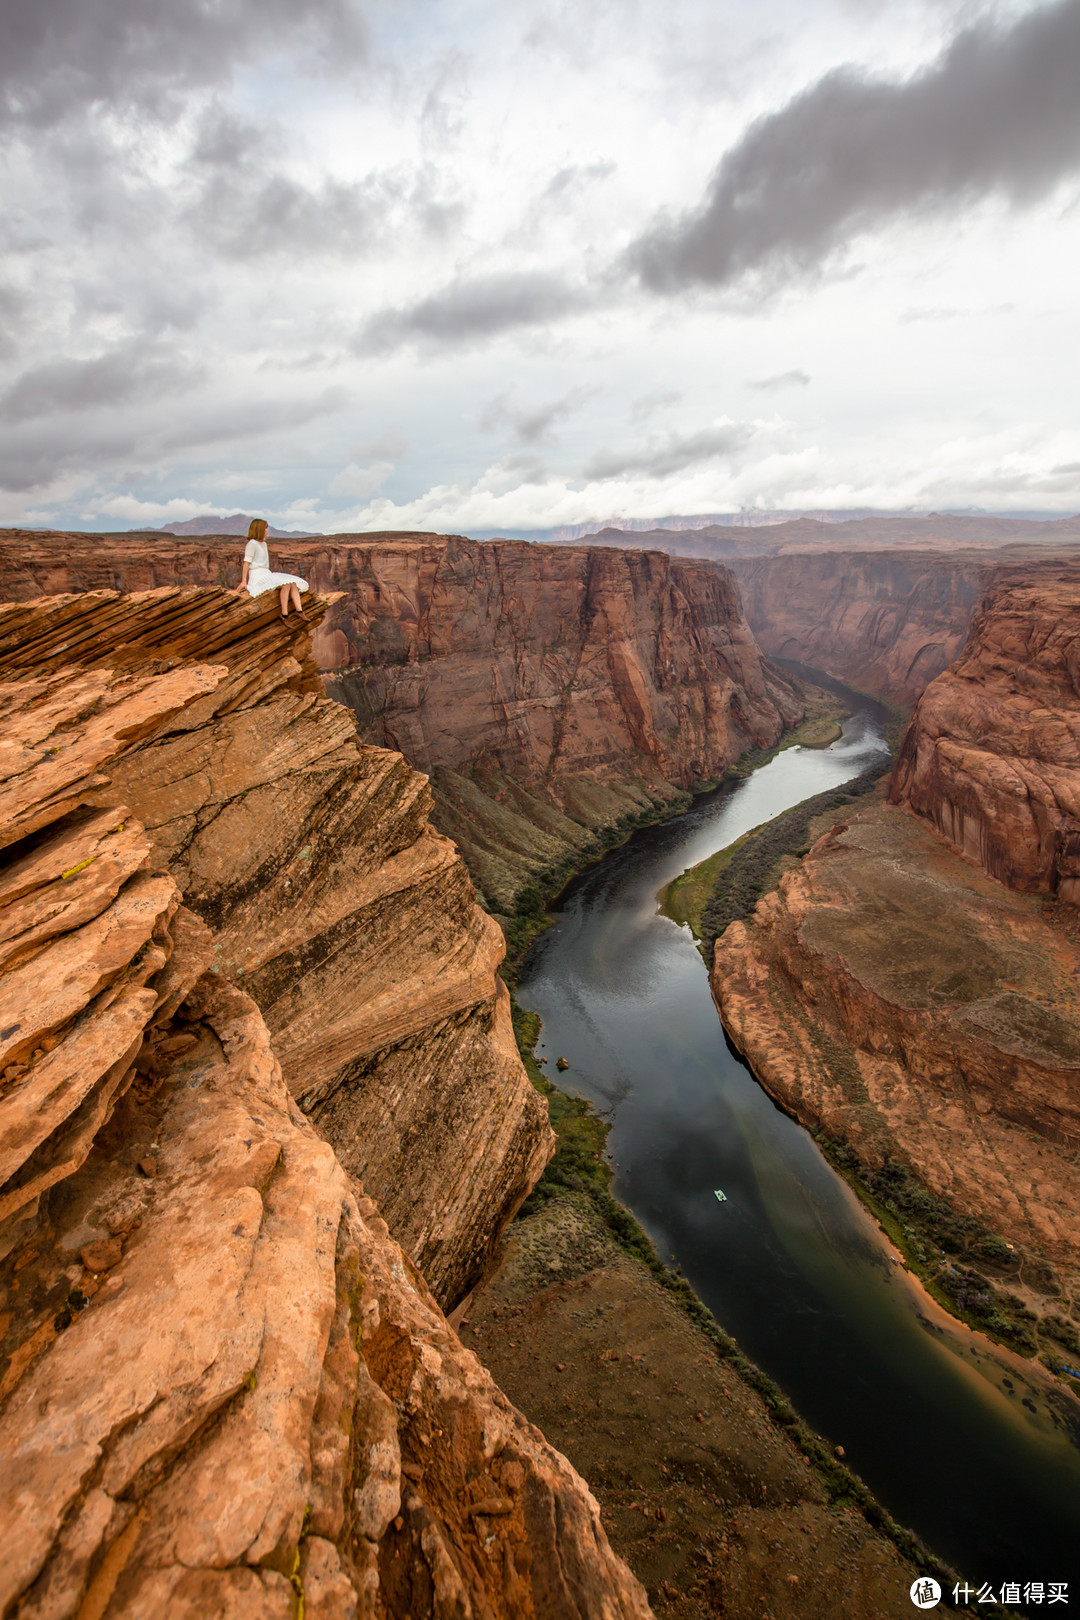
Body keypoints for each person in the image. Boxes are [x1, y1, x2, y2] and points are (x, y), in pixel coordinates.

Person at [239, 518, 310, 619]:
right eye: (266, 528)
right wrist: (244, 581)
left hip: (266, 573)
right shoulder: (252, 543)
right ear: (259, 529)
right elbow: (246, 562)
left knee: (292, 583)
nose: (267, 530)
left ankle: (300, 611)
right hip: (257, 576)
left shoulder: (264, 544)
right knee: (286, 584)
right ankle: (284, 615)